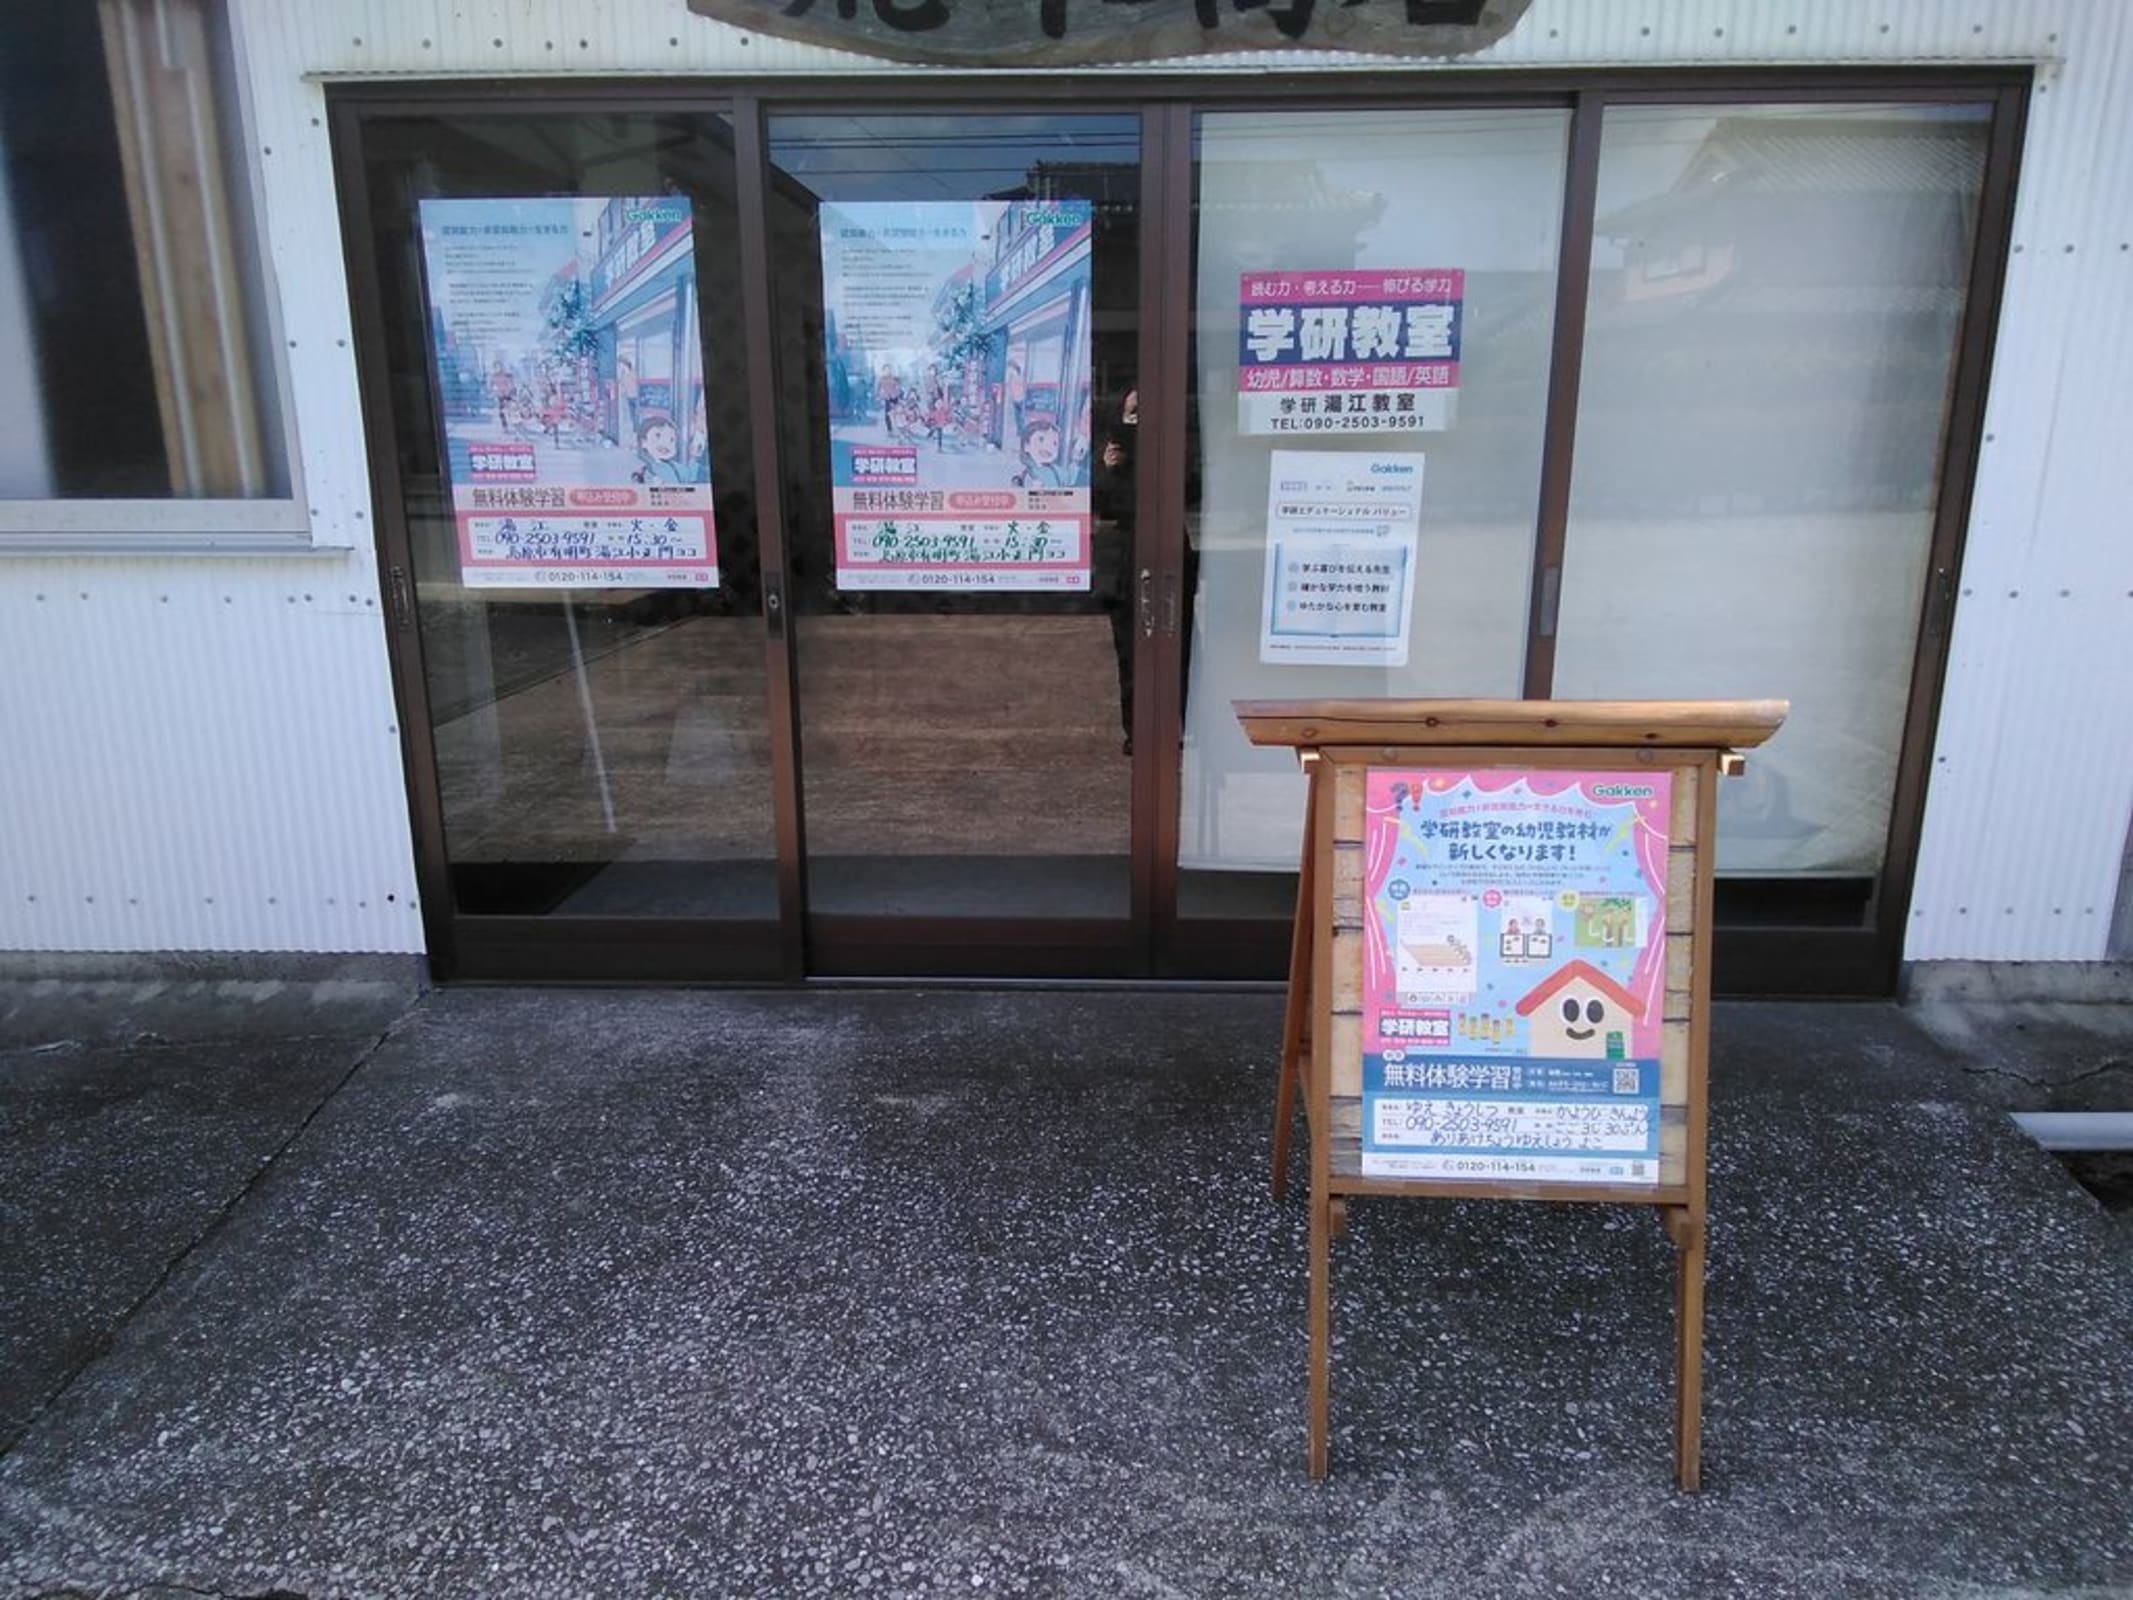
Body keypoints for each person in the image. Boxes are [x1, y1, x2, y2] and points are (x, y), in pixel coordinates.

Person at [631, 412, 687, 485]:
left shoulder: (676, 467)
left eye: (671, 439)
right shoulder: (643, 470)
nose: (665, 443)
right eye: (658, 436)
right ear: (643, 441)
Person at [1012, 418, 1066, 488]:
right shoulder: (1029, 474)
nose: (1048, 446)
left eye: (1054, 443)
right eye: (1041, 439)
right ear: (1026, 445)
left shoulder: (1055, 470)